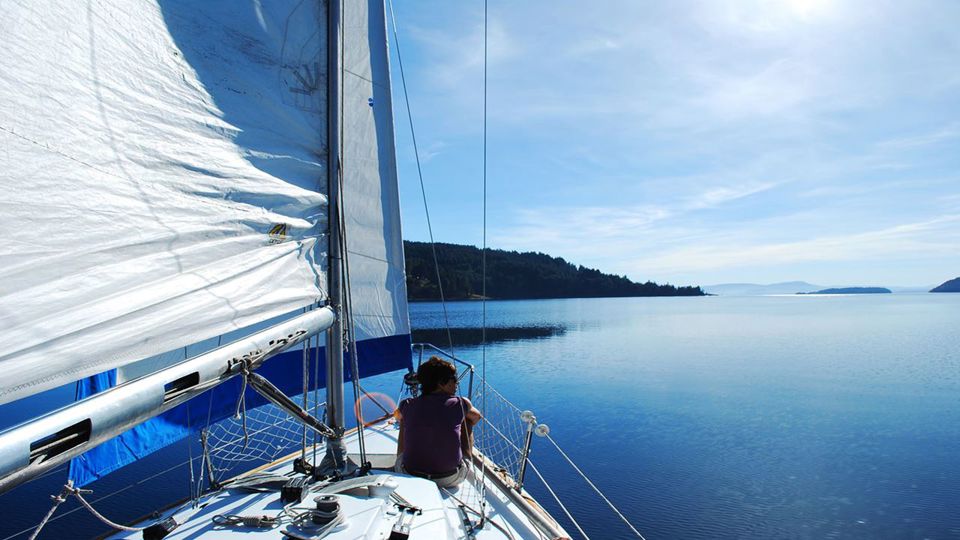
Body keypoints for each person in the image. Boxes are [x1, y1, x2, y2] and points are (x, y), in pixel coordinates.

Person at [394, 356, 481, 488]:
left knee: (403, 420)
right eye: (454, 379)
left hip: (410, 474)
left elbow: (397, 416)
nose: (457, 383)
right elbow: (477, 417)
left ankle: (400, 459)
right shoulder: (460, 403)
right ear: (441, 383)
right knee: (467, 419)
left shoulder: (406, 404)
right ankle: (467, 458)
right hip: (450, 478)